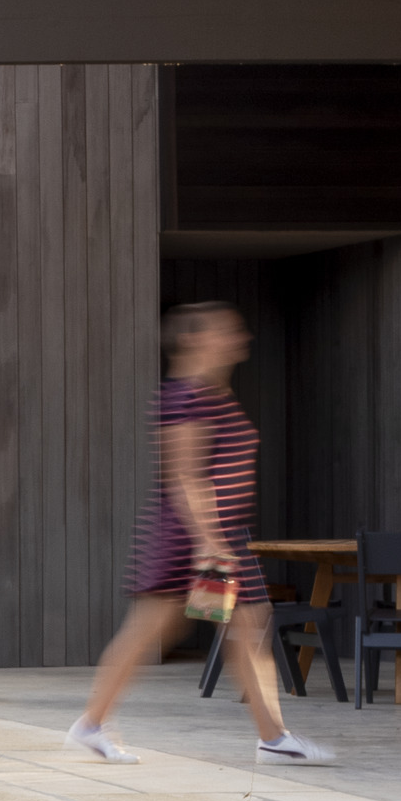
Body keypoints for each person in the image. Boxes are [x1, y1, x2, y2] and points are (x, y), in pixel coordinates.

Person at [67, 302, 337, 769]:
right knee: (159, 629)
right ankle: (92, 723)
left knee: (242, 627)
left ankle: (272, 737)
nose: (240, 339)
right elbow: (185, 476)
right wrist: (208, 540)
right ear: (194, 340)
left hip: (215, 536)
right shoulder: (186, 397)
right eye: (226, 331)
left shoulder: (212, 395)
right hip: (193, 538)